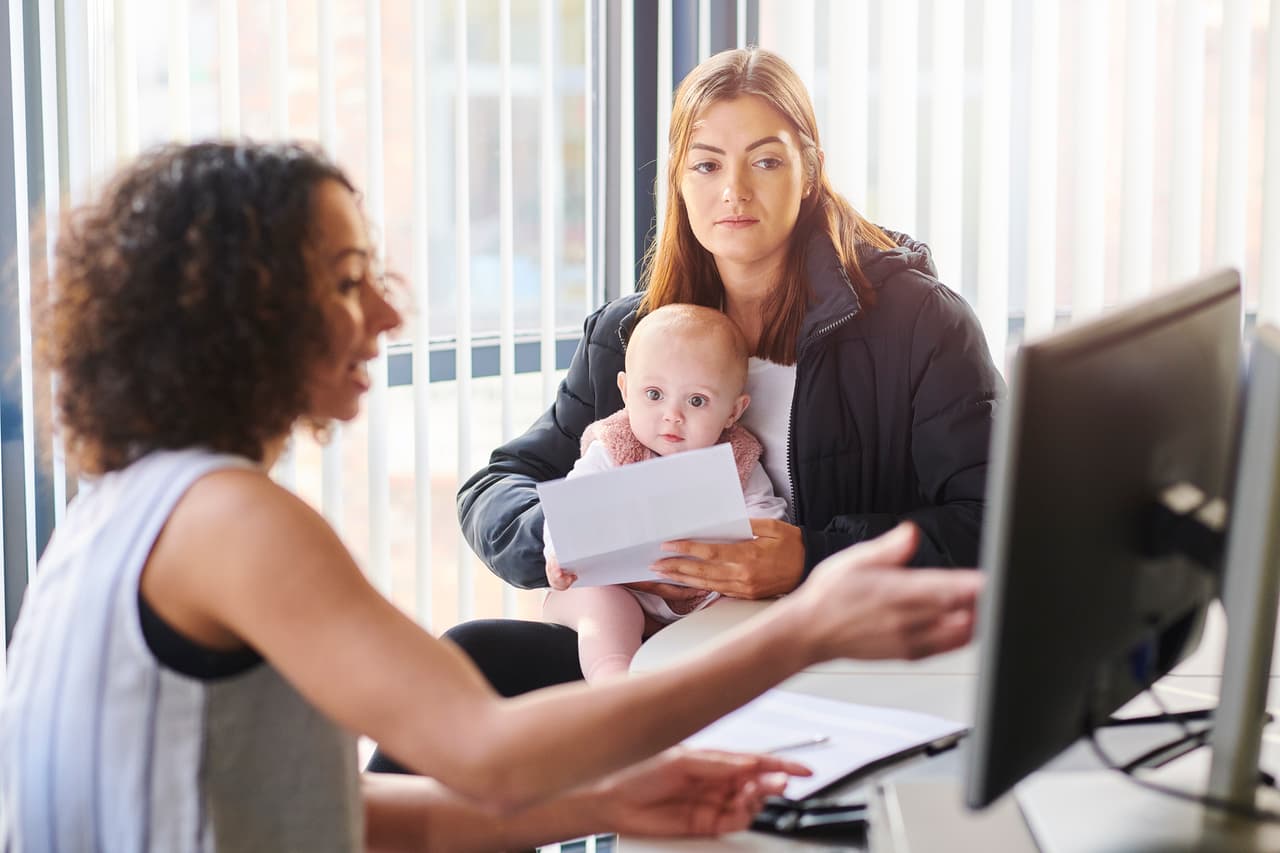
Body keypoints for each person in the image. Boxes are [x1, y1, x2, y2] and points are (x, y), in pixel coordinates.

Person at [0, 140, 984, 851]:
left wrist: (607, 804)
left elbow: (337, 818)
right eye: (349, 282)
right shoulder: (228, 521)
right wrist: (806, 627)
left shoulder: (131, 508)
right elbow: (492, 754)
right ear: (238, 319)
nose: (390, 311)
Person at [449, 46, 1004, 694]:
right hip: (648, 653)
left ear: (809, 172)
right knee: (467, 658)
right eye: (707, 164)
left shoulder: (919, 326)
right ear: (679, 181)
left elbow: (993, 520)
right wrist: (559, 532)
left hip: (825, 661)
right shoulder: (633, 336)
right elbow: (496, 486)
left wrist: (809, 557)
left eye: (765, 161)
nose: (733, 191)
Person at [542, 303, 787, 682]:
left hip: (708, 593)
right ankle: (614, 678)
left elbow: (766, 517)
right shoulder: (612, 446)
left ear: (733, 412)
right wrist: (559, 555)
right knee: (601, 603)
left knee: (748, 610)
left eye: (696, 401)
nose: (673, 415)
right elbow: (570, 510)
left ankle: (712, 682)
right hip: (624, 588)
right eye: (654, 394)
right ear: (625, 391)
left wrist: (756, 548)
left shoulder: (736, 459)